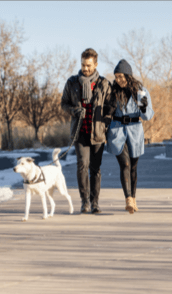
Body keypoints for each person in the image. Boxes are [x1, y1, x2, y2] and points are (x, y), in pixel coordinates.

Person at [61, 48, 112, 214]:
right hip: (80, 132)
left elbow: (111, 107)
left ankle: (95, 202)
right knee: (82, 165)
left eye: (89, 65)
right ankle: (85, 202)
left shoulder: (104, 84)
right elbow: (64, 104)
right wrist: (75, 110)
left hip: (97, 133)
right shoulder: (72, 82)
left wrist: (106, 122)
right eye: (83, 65)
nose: (86, 68)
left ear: (96, 64)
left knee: (95, 169)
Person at [106, 59, 154, 214]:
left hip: (135, 131)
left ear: (128, 75)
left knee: (133, 167)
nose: (118, 80)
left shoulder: (141, 91)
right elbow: (106, 111)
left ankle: (133, 199)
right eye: (116, 76)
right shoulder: (112, 92)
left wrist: (143, 103)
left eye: (121, 76)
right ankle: (128, 198)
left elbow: (146, 116)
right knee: (125, 164)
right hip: (117, 131)